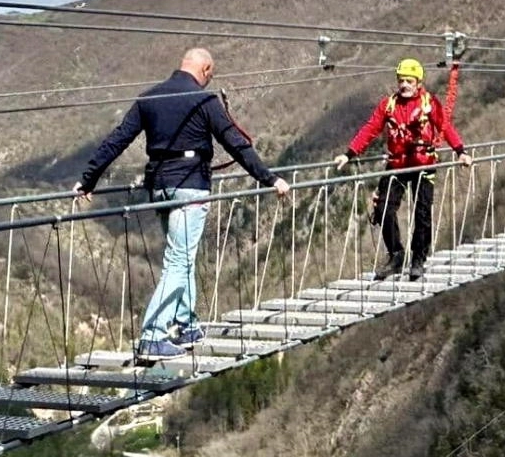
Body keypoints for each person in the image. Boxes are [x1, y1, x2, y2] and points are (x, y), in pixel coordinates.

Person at [73, 48, 291, 361]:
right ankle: (153, 335)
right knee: (179, 259)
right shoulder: (204, 100)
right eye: (210, 76)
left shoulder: (150, 98)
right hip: (191, 187)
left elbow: (118, 139)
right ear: (206, 69)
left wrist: (88, 179)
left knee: (181, 255)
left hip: (160, 186)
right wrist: (269, 179)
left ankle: (185, 324)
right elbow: (236, 143)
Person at [335, 58, 471, 281]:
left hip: (423, 163)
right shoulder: (389, 105)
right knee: (383, 209)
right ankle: (396, 256)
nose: (404, 85)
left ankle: (418, 258)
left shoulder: (429, 103)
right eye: (401, 81)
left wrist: (460, 151)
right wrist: (349, 153)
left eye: (409, 81)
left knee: (422, 213)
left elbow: (445, 127)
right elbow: (370, 129)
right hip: (397, 164)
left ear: (418, 83)